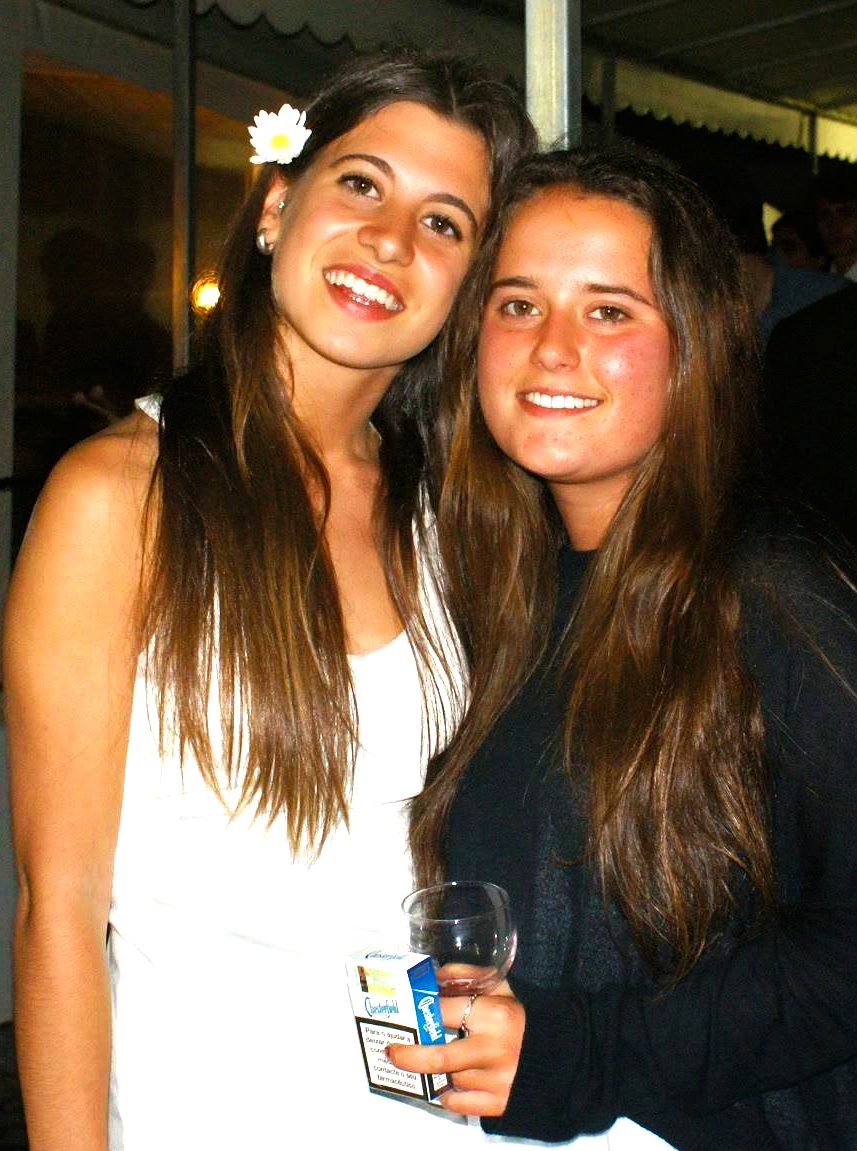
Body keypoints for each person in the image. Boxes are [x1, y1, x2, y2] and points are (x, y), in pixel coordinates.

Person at [4, 51, 536, 1151]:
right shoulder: (121, 497)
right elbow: (58, 913)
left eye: (442, 222)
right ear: (277, 205)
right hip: (211, 1111)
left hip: (431, 1112)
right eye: (361, 183)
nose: (389, 239)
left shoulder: (449, 511)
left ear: (467, 285)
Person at [392, 147, 857, 1149]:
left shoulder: (773, 597)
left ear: (692, 349)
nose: (551, 348)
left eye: (607, 311)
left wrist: (583, 1052)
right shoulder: (482, 592)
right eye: (518, 304)